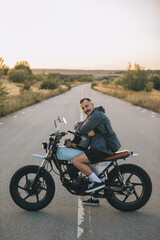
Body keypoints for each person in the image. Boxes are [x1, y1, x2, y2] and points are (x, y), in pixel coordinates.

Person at [72, 98, 115, 206]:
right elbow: (83, 126)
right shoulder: (92, 115)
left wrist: (79, 126)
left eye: (86, 106)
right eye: (83, 108)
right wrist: (83, 128)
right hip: (100, 147)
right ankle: (94, 198)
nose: (85, 109)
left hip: (101, 148)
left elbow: (82, 129)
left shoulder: (96, 115)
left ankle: (97, 182)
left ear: (92, 105)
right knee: (92, 170)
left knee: (76, 160)